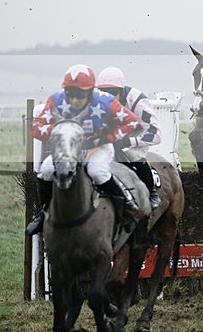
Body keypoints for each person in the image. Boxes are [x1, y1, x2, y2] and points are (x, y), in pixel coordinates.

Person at [26, 64, 144, 236]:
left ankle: (127, 209)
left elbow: (133, 123)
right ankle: (43, 214)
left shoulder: (105, 101)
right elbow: (35, 128)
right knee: (46, 170)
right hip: (68, 148)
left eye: (80, 95)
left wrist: (106, 137)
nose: (74, 100)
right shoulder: (56, 100)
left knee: (98, 172)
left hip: (97, 147)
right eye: (70, 94)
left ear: (90, 92)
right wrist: (59, 131)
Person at [96, 66, 162, 210]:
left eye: (113, 93)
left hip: (136, 138)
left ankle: (152, 192)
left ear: (121, 91)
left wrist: (128, 141)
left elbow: (155, 134)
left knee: (132, 154)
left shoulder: (138, 101)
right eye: (103, 93)